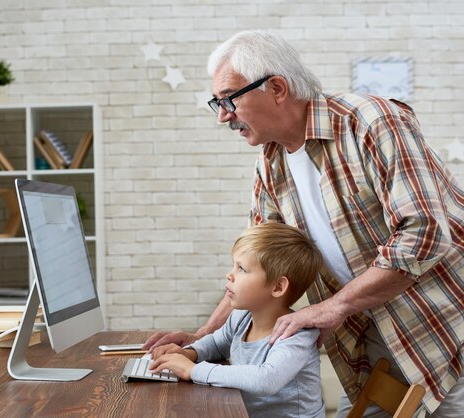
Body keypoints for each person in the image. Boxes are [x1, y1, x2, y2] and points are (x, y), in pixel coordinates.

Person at [144, 30, 464, 417]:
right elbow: (260, 264)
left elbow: (424, 234)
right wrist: (201, 337)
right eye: (218, 103)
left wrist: (334, 307)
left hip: (445, 326)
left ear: (276, 88)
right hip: (369, 331)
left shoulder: (371, 122)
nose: (223, 116)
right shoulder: (271, 162)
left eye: (229, 99)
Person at [150, 223, 325, 418]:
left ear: (277, 287)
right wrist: (189, 353)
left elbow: (265, 380)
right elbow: (217, 343)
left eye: (241, 268)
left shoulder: (297, 334)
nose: (230, 274)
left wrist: (193, 370)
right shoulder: (242, 317)